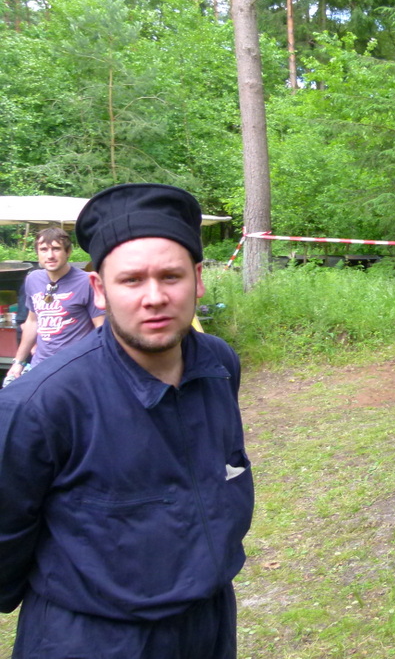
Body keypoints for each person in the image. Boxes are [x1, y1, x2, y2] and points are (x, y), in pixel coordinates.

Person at [0, 183, 254, 658]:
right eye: (132, 280)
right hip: (93, 639)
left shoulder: (219, 365)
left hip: (208, 625)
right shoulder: (39, 404)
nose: (154, 297)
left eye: (171, 276)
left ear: (198, 279)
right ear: (99, 289)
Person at [4, 227, 104, 384]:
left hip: (75, 369)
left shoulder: (87, 282)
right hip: (40, 366)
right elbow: (32, 322)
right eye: (44, 249)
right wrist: (18, 362)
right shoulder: (33, 279)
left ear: (68, 251)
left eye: (56, 249)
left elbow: (101, 330)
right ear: (37, 253)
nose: (50, 255)